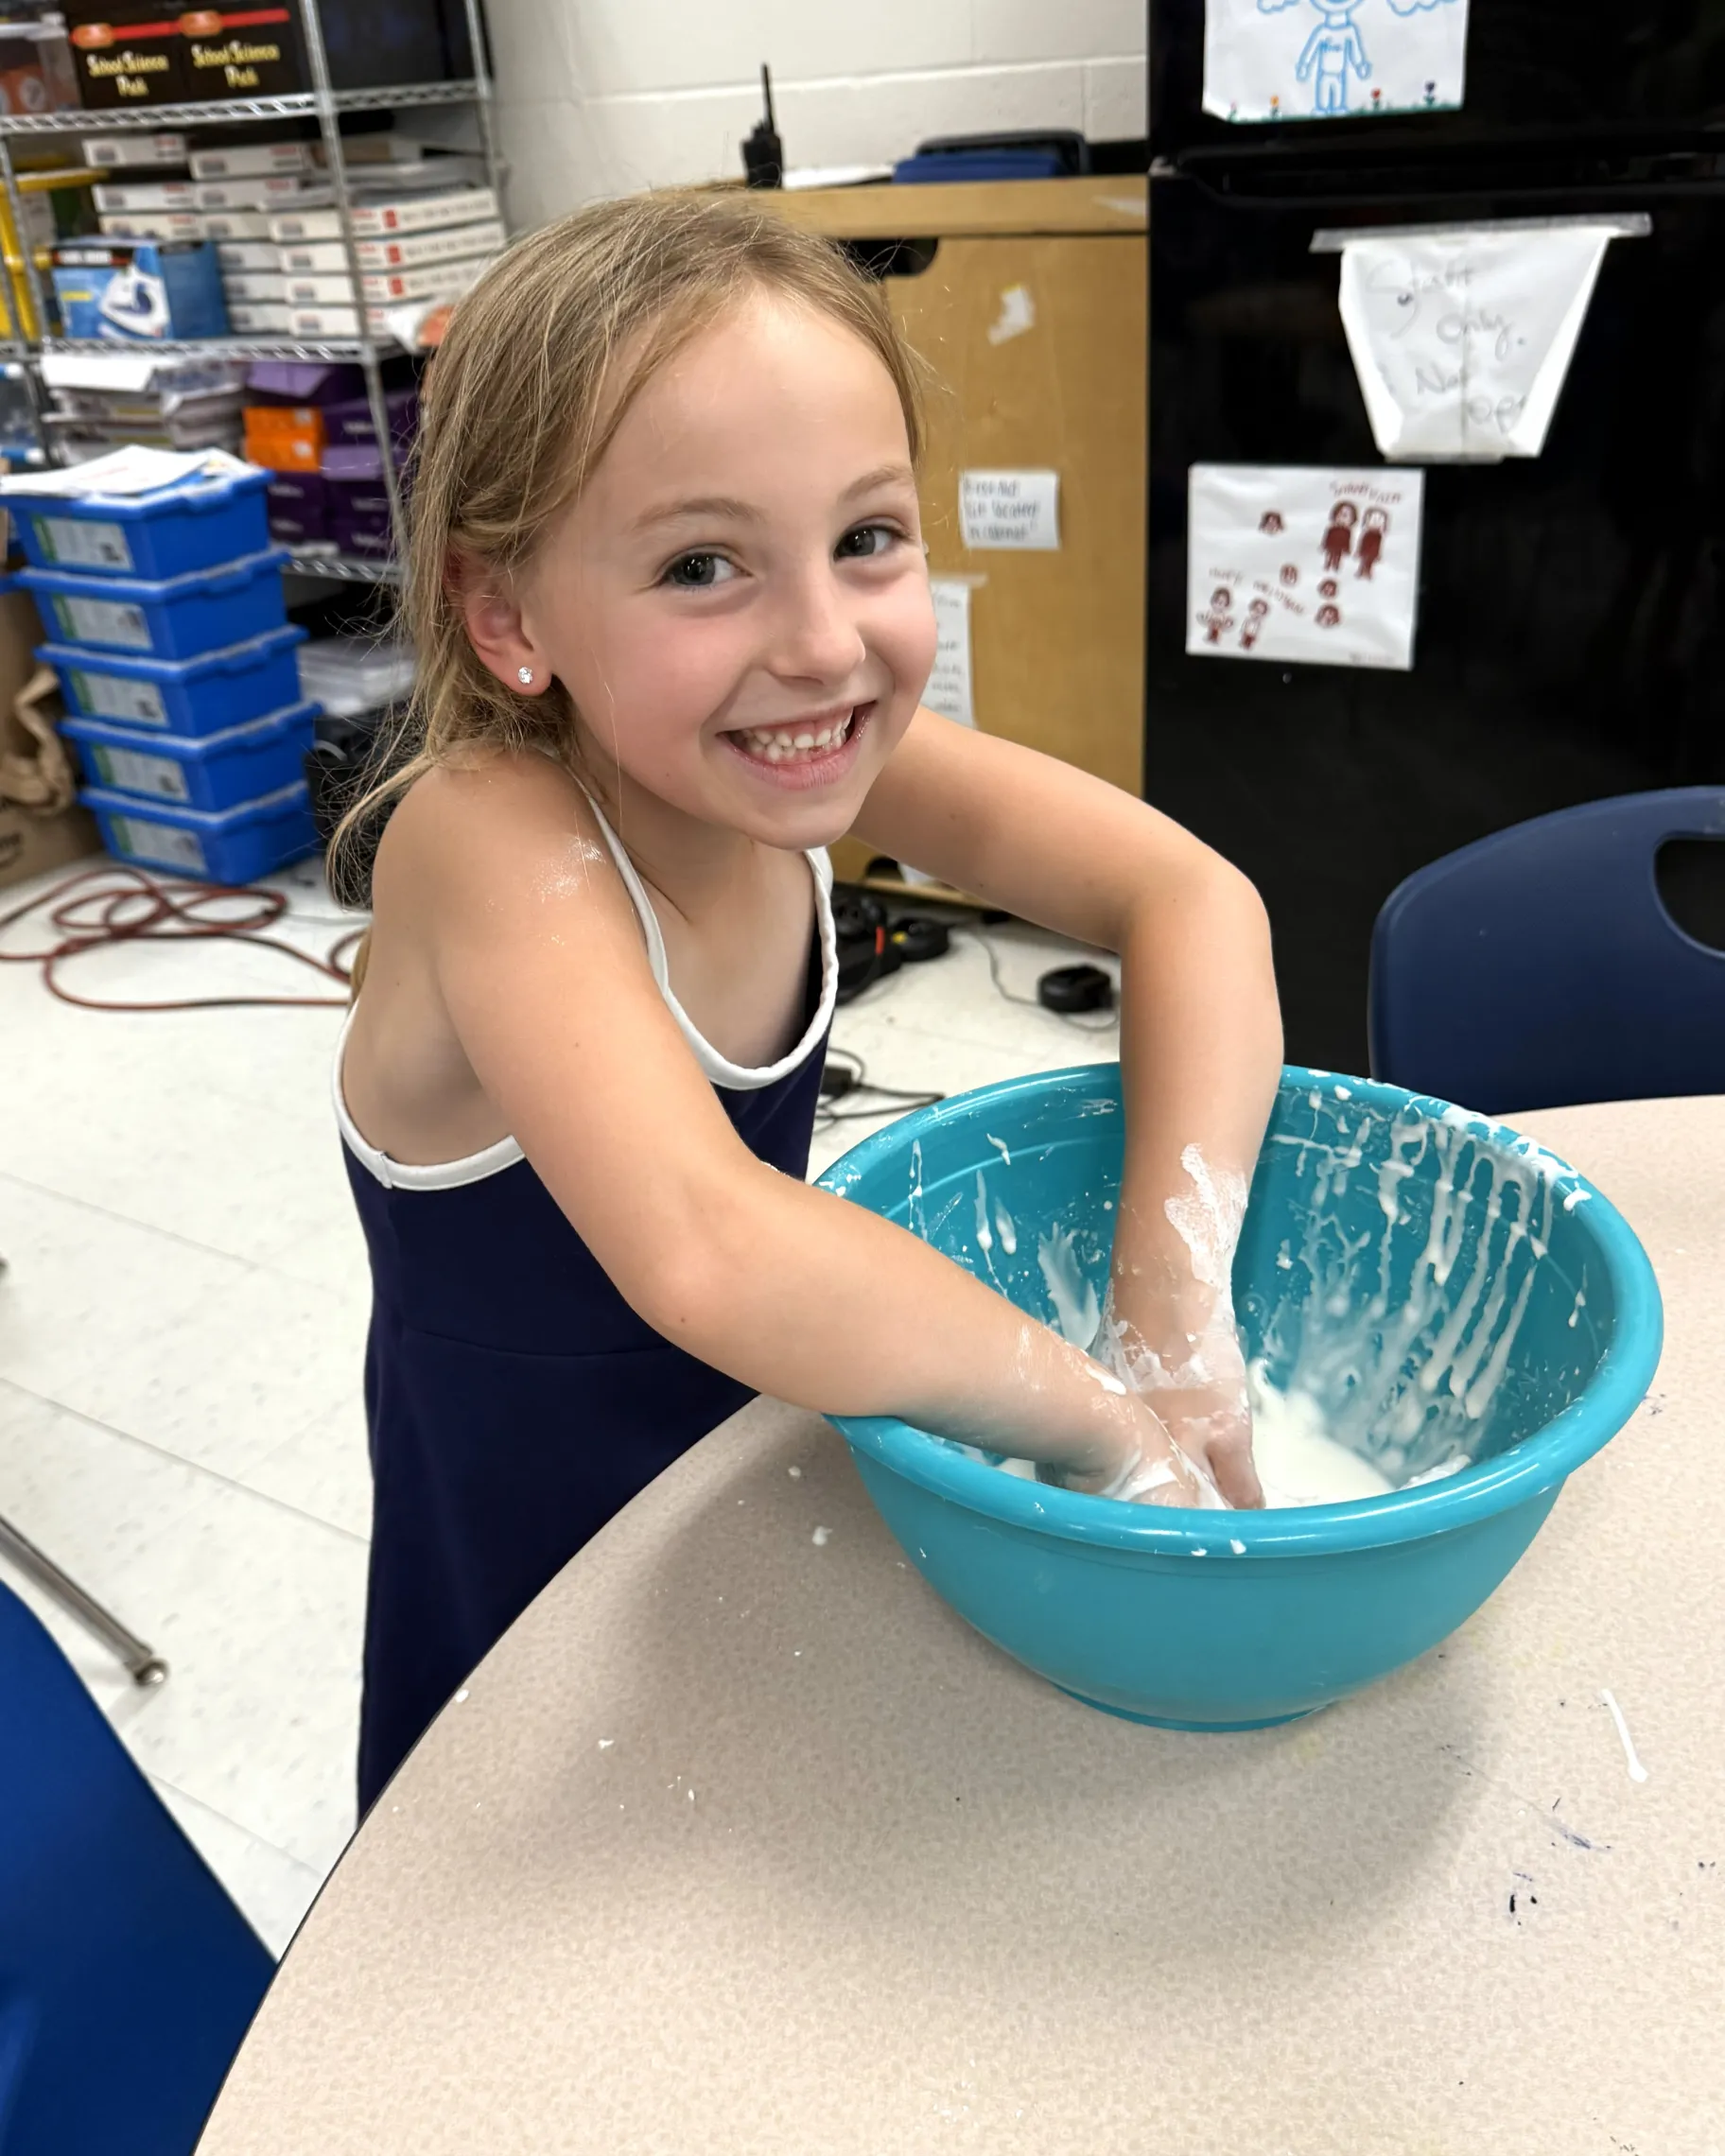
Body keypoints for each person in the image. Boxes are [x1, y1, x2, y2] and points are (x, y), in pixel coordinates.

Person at [332, 193, 1283, 1810]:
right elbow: (710, 1246)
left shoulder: (805, 754)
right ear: (508, 616)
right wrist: (1108, 1427)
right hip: (533, 1555)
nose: (825, 643)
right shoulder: (490, 838)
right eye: (703, 566)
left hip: (758, 1451)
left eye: (867, 538)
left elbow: (1192, 899)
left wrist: (1173, 1319)